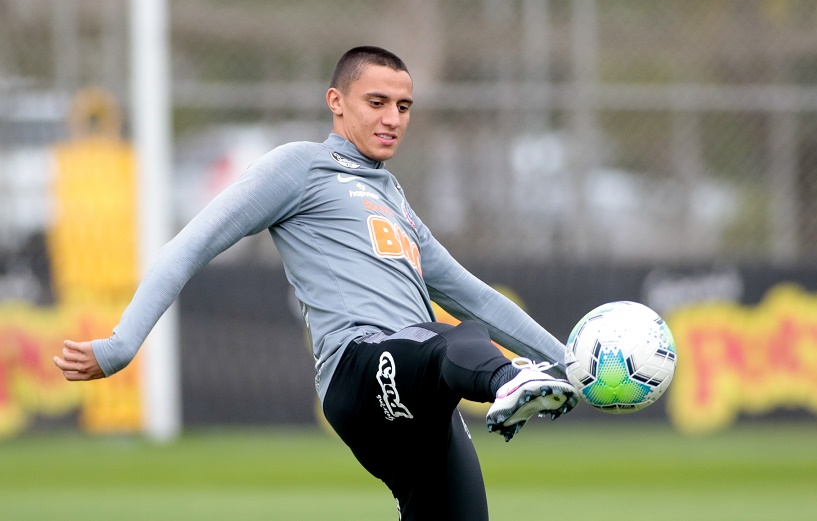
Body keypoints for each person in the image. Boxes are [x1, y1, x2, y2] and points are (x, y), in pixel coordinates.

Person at [54, 46, 579, 521]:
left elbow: (477, 295)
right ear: (336, 101)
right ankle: (507, 381)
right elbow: (190, 245)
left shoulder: (393, 196)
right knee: (452, 336)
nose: (392, 118)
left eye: (403, 106)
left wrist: (574, 367)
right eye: (376, 101)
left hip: (419, 391)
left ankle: (512, 380)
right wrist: (123, 345)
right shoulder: (300, 166)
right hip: (360, 367)